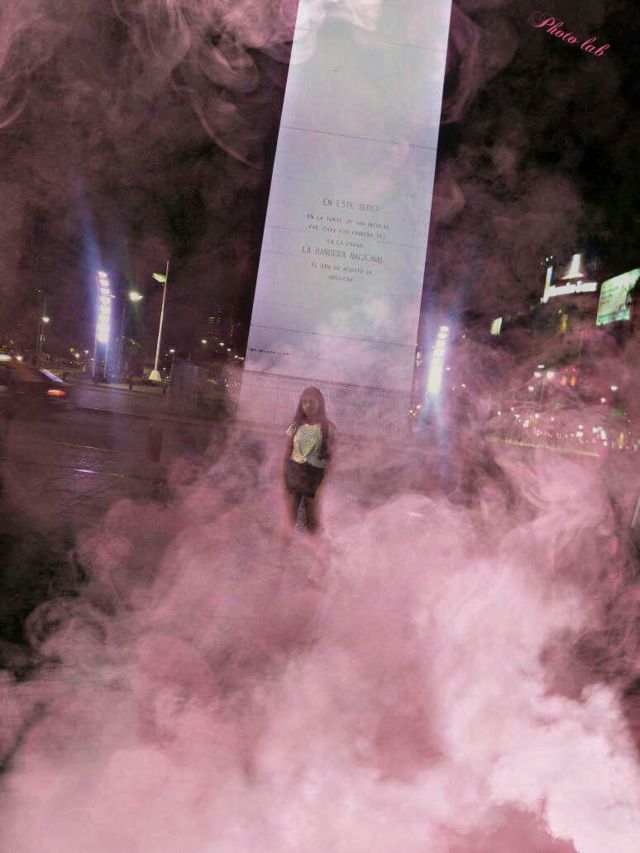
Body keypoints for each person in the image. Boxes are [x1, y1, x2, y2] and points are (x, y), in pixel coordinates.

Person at [283, 387, 336, 535]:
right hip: (294, 471)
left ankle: (314, 546)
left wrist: (324, 482)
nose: (308, 405)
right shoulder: (295, 426)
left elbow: (331, 457)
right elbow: (286, 453)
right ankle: (286, 546)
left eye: (311, 402)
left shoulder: (328, 428)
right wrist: (284, 477)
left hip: (314, 474)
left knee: (312, 518)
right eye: (304, 402)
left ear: (320, 402)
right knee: (290, 518)